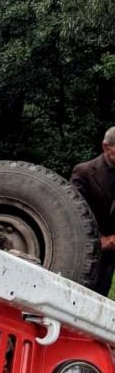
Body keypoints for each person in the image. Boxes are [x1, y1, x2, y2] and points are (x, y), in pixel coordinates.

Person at [70, 126, 115, 296]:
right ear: (106, 147)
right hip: (84, 252)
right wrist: (99, 239)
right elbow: (75, 211)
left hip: (109, 259)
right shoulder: (84, 172)